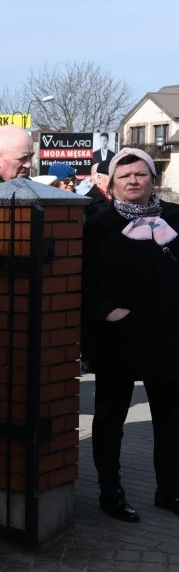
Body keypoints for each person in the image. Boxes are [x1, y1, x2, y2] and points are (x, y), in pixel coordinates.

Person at [82, 148, 179, 524]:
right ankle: (111, 492)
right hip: (118, 337)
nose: (133, 181)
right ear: (112, 183)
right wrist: (106, 310)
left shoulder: (174, 218)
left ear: (153, 179)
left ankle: (169, 489)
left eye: (141, 174)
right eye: (125, 176)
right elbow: (85, 280)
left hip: (167, 334)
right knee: (110, 418)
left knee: (170, 418)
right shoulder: (97, 224)